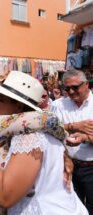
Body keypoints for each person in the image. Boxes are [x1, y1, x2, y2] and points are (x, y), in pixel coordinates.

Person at [0, 71, 87, 214]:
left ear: (19, 107)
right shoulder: (44, 131)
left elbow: (5, 197)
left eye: (1, 99)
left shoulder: (28, 138)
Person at [51, 69, 93, 214]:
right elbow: (51, 131)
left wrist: (86, 138)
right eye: (67, 88)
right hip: (68, 167)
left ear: (86, 84)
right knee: (71, 209)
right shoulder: (58, 105)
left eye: (75, 87)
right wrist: (74, 126)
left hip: (91, 168)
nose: (71, 91)